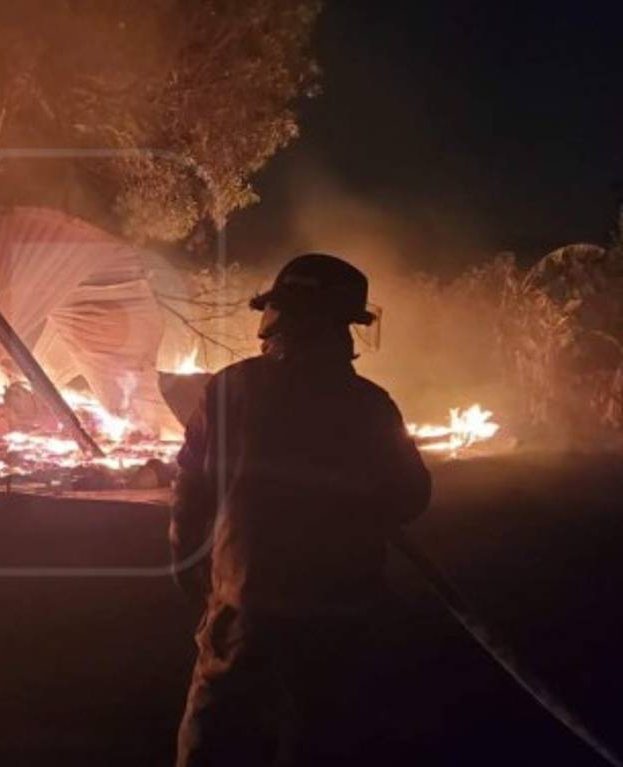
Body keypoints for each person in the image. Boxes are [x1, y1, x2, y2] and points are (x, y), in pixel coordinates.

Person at [171, 253, 431, 766]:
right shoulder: (369, 404)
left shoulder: (228, 388)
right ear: (343, 326)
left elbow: (191, 489)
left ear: (277, 316)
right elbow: (410, 497)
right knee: (321, 736)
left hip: (243, 606)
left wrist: (188, 564)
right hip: (338, 612)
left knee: (217, 734)